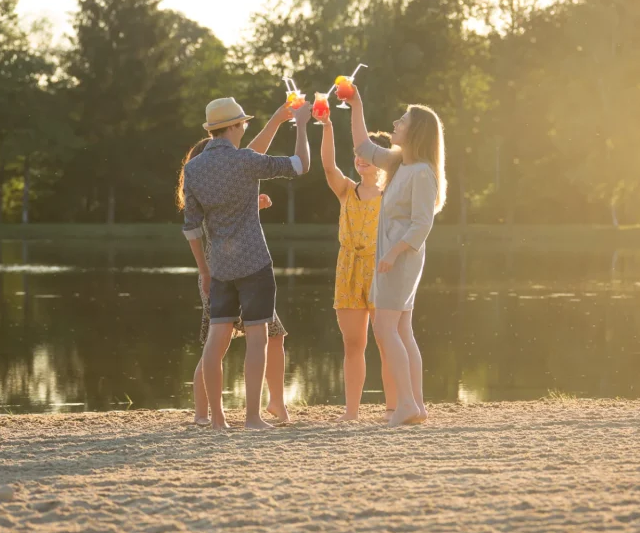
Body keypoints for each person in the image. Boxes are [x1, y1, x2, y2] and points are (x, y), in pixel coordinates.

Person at [181, 97, 312, 430]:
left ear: (212, 130)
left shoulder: (193, 169)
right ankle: (253, 417)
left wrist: (204, 271)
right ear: (236, 127)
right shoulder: (245, 161)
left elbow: (192, 228)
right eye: (244, 125)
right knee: (258, 339)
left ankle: (217, 420)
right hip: (254, 262)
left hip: (219, 267)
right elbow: (300, 165)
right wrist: (302, 125)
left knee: (216, 340)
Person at [348, 86, 446, 427]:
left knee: (385, 328)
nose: (395, 123)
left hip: (399, 260)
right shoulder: (399, 163)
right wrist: (357, 103)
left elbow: (422, 225)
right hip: (394, 259)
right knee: (402, 330)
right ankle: (415, 404)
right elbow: (362, 145)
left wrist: (390, 255)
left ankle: (405, 403)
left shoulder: (422, 172)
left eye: (402, 121)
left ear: (415, 131)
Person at [312, 107, 395, 421]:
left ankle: (392, 409)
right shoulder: (347, 189)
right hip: (347, 269)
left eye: (366, 155)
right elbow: (327, 165)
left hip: (381, 270)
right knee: (352, 343)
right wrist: (328, 126)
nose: (360, 159)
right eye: (358, 155)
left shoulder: (391, 194)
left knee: (386, 342)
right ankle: (351, 412)